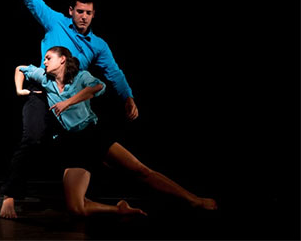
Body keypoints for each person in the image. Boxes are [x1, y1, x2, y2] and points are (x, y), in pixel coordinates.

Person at [0, 0, 138, 218]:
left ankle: (94, 192)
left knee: (92, 142)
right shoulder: (55, 22)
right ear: (71, 12)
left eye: (89, 13)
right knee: (33, 138)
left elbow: (113, 72)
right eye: (80, 12)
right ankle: (11, 197)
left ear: (93, 14)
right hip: (46, 93)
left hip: (73, 101)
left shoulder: (98, 45)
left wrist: (128, 97)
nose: (84, 17)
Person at [15, 46, 218, 217]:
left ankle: (194, 200)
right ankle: (119, 209)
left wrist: (67, 102)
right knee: (76, 208)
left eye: (49, 58)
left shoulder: (81, 77)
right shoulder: (43, 78)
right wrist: (19, 89)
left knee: (140, 170)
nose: (44, 61)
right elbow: (20, 69)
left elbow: (97, 86)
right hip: (72, 144)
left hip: (92, 134)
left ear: (62, 60)